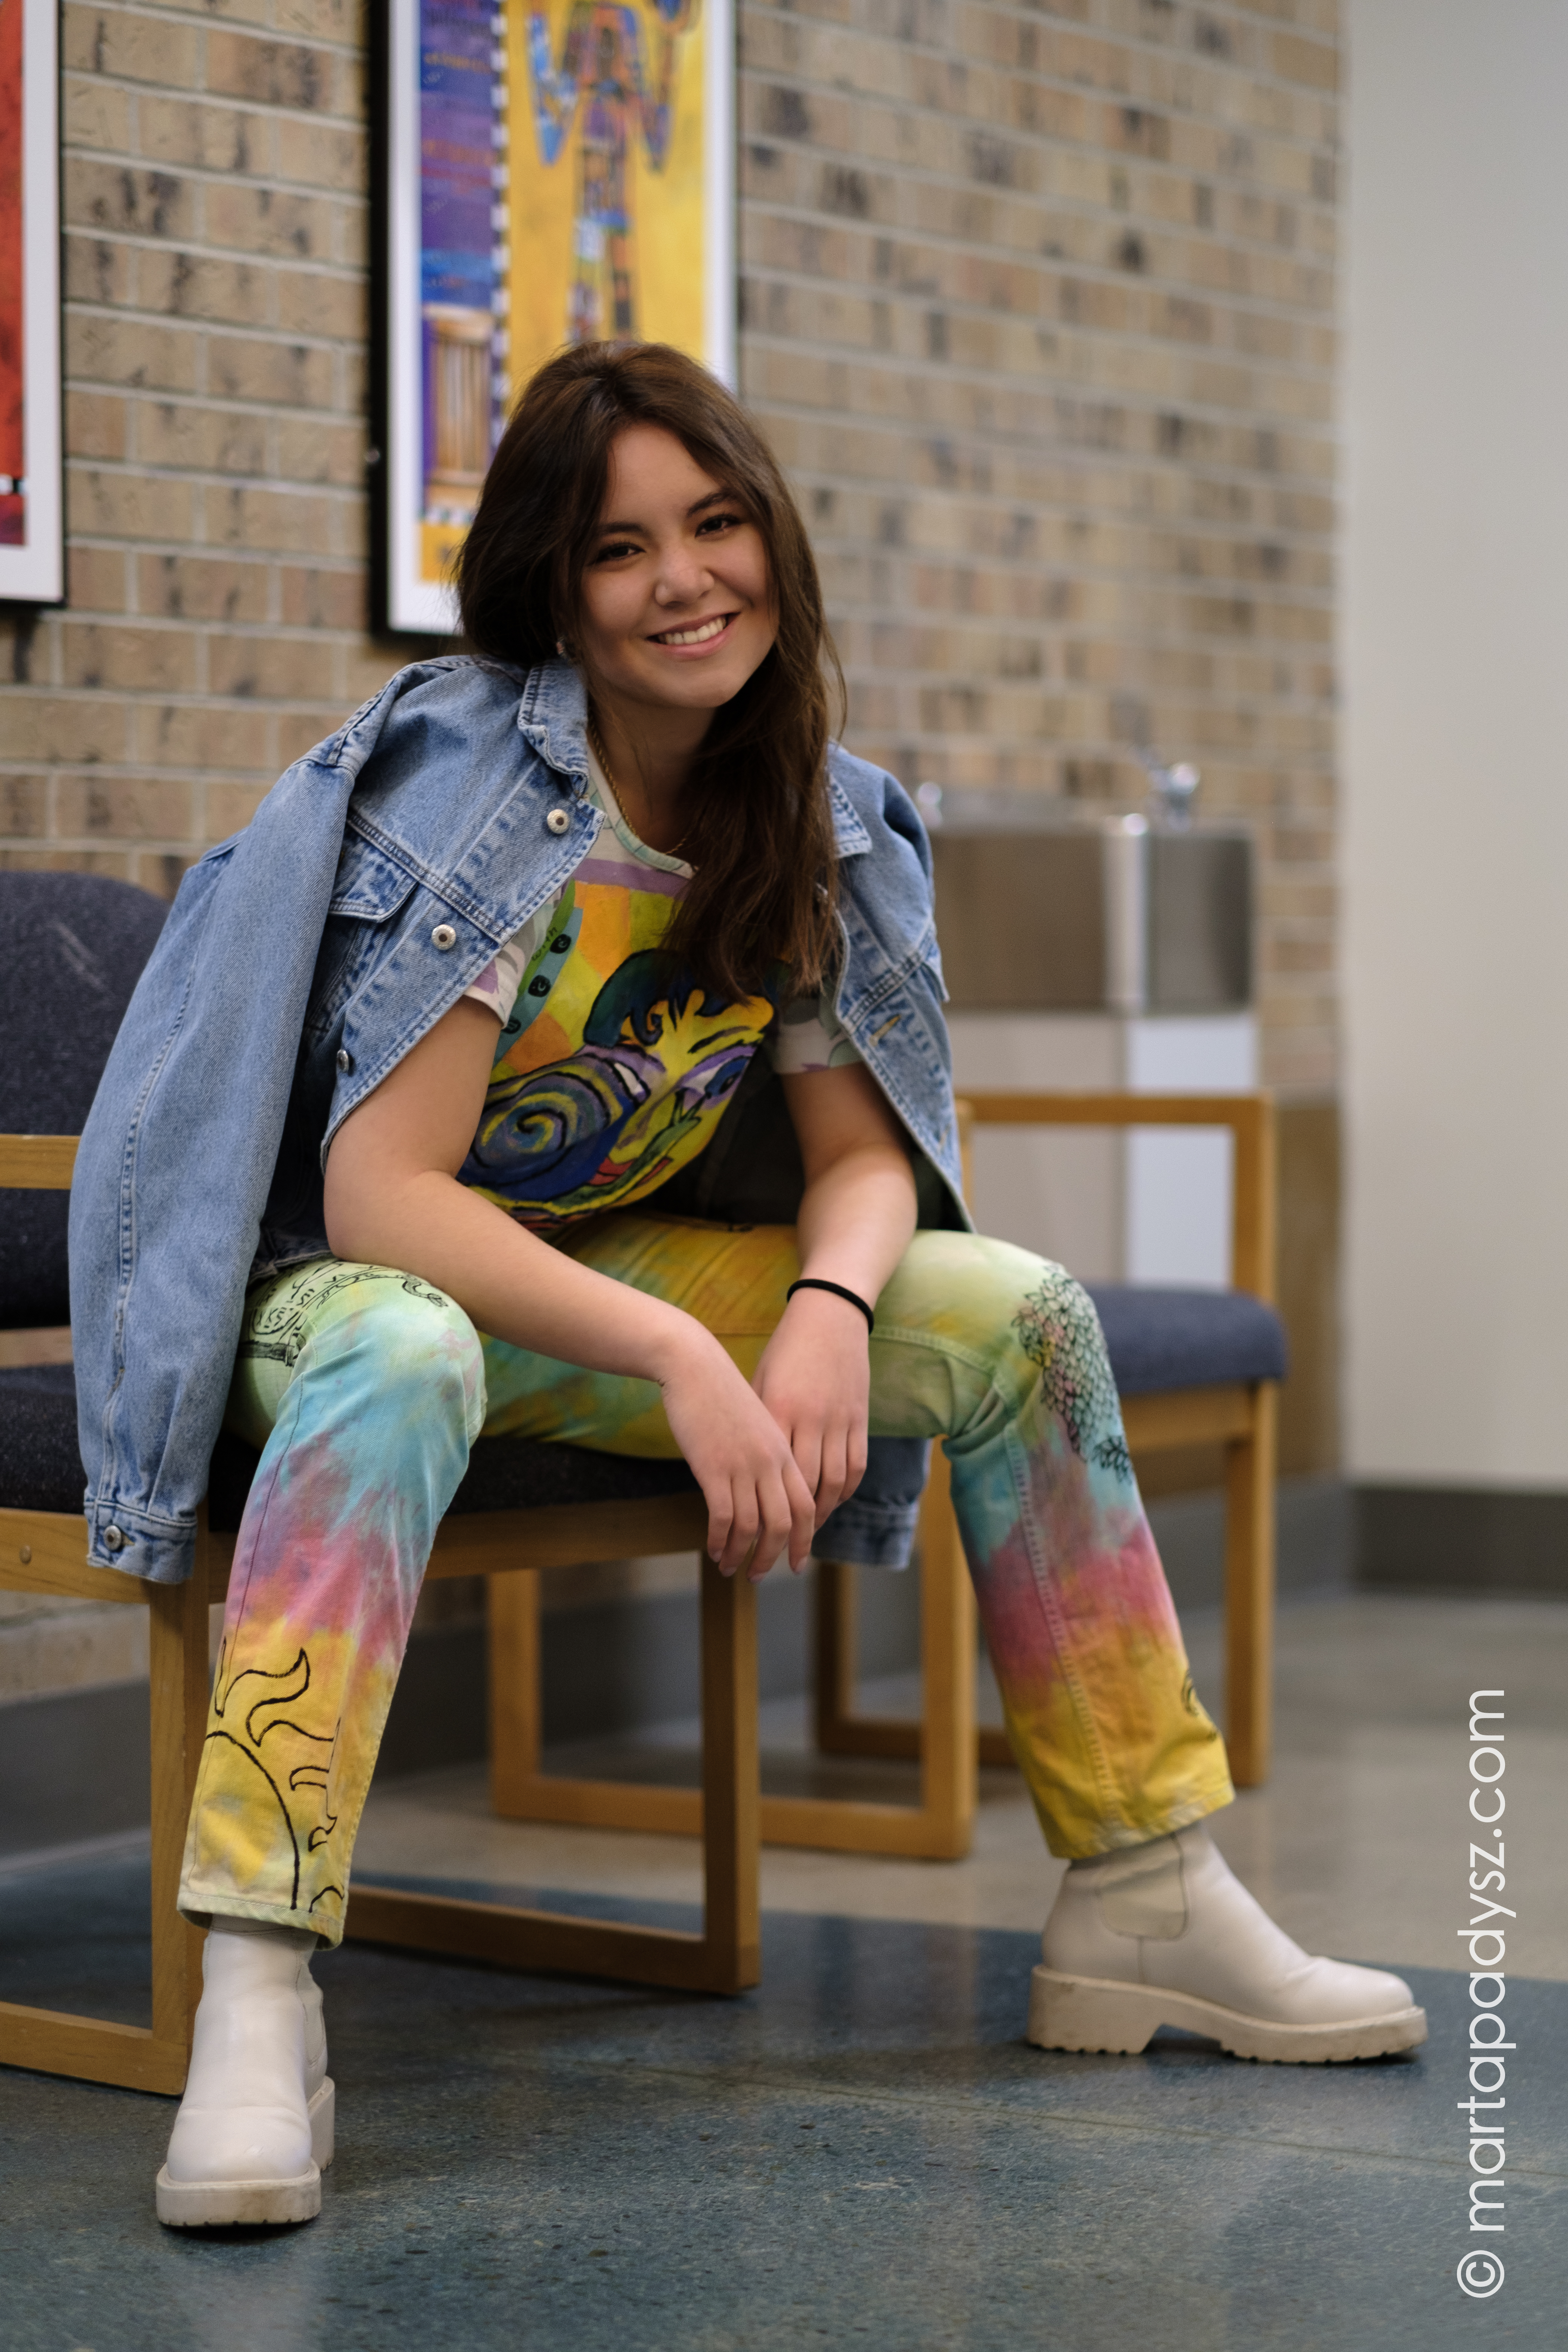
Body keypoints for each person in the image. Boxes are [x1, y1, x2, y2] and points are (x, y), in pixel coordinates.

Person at [69, 343, 1426, 2234]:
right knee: (398, 1343)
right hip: (336, 1303)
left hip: (587, 1287)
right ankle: (260, 1983)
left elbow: (862, 1161)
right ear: (557, 584)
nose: (684, 578)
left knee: (1017, 1310)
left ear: (770, 539)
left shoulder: (814, 809)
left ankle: (1143, 1890)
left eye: (715, 523)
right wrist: (677, 1362)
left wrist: (819, 1317)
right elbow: (383, 1198)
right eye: (622, 548)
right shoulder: (468, 783)